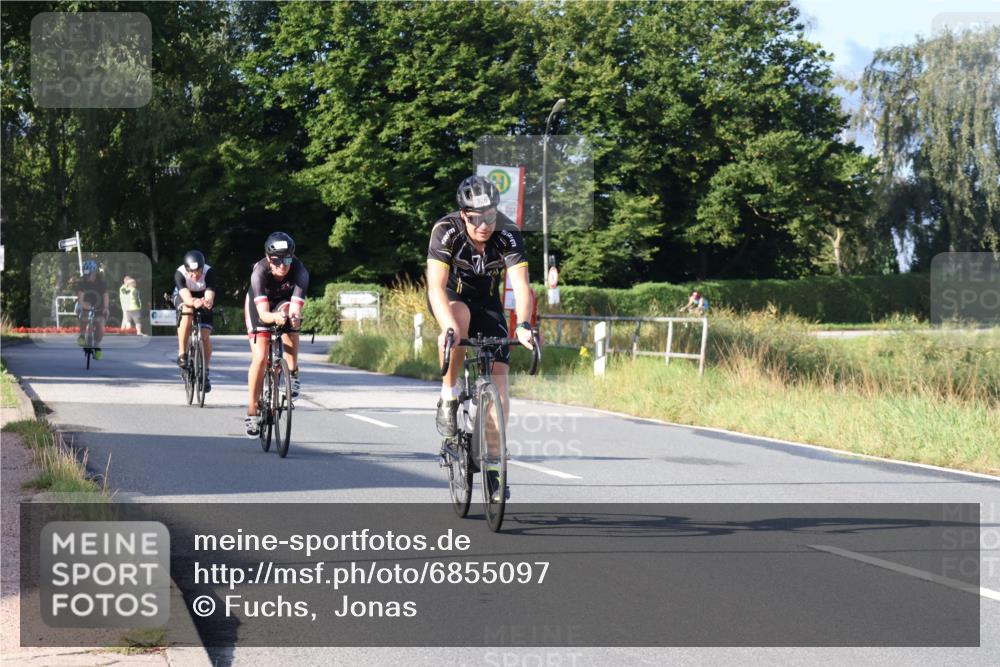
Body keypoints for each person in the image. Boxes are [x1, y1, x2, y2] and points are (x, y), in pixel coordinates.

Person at [427, 175, 534, 500]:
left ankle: (493, 465)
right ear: (463, 214)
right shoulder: (445, 230)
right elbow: (434, 286)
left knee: (500, 385)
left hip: (487, 301)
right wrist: (447, 328)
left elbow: (522, 286)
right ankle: (449, 394)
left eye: (489, 217)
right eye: (476, 218)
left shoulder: (507, 234)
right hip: (451, 297)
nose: (484, 225)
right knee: (458, 323)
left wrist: (525, 324)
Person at [243, 232, 309, 437]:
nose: (282, 265)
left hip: (284, 303)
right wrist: (274, 318)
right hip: (260, 306)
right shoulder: (259, 272)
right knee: (261, 357)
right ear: (268, 258)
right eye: (277, 260)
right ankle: (252, 411)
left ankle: (293, 371)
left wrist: (293, 318)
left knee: (291, 318)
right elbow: (263, 314)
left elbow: (296, 308)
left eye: (287, 259)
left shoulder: (300, 271)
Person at [173, 250, 217, 391]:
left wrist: (207, 302)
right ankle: (182, 353)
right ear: (186, 269)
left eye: (197, 271)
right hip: (184, 296)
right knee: (188, 310)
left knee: (205, 338)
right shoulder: (180, 273)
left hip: (202, 295)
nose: (194, 275)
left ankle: (205, 371)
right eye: (191, 272)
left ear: (202, 268)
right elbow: (186, 298)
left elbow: (209, 294)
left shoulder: (209, 272)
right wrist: (193, 301)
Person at [75, 260, 109, 358]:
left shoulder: (101, 281)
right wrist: (82, 305)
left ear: (94, 273)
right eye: (85, 273)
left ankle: (96, 346)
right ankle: (82, 335)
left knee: (101, 323)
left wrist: (106, 308)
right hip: (86, 302)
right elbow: (80, 296)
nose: (86, 276)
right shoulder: (82, 282)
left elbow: (105, 295)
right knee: (83, 313)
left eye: (88, 274)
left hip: (99, 304)